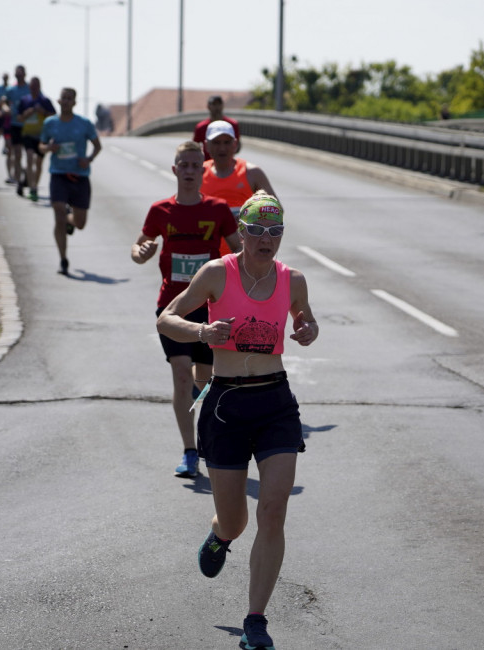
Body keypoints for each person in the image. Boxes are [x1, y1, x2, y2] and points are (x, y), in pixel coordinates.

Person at [156, 191, 318, 650]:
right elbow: (167, 319)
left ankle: (255, 621)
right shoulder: (215, 274)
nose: (266, 239)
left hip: (275, 403)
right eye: (258, 230)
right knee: (237, 520)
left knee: (273, 510)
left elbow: (307, 323)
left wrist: (307, 330)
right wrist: (203, 332)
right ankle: (219, 535)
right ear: (242, 231)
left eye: (275, 230)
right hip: (226, 404)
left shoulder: (294, 280)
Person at [132, 141, 241, 478]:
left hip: (210, 308)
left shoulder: (218, 209)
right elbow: (139, 245)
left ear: (202, 170)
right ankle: (190, 452)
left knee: (203, 381)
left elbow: (239, 251)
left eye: (197, 165)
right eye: (185, 165)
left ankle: (205, 432)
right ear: (175, 169)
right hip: (173, 307)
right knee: (182, 376)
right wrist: (142, 252)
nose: (191, 171)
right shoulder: (160, 210)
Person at [38, 87, 102, 275]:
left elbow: (98, 146)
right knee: (58, 212)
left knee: (80, 224)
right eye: (63, 98)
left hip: (80, 177)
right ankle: (63, 259)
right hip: (58, 174)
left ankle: (69, 219)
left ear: (74, 102)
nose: (65, 101)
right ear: (58, 101)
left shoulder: (84, 123)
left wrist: (88, 159)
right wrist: (49, 147)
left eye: (69, 99)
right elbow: (40, 146)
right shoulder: (50, 123)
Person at [202, 120, 275, 255]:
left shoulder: (252, 173)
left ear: (235, 144)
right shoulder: (198, 173)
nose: (222, 148)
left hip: (243, 258)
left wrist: (247, 218)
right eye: (216, 143)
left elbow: (275, 212)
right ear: (206, 146)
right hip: (207, 257)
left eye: (227, 142)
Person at [17, 76, 56, 201]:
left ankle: (34, 186)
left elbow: (54, 116)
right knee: (29, 157)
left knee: (38, 163)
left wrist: (43, 112)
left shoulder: (45, 101)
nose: (34, 88)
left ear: (40, 87)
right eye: (32, 86)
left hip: (42, 136)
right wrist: (27, 113)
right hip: (28, 134)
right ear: (29, 87)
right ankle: (31, 187)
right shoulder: (24, 100)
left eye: (36, 86)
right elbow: (18, 118)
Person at [5, 66, 31, 193]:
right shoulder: (11, 90)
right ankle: (17, 179)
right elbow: (3, 102)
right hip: (15, 124)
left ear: (25, 75)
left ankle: (27, 172)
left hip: (28, 126)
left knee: (30, 154)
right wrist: (5, 108)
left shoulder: (29, 88)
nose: (19, 76)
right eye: (17, 74)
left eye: (21, 74)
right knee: (17, 153)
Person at [193, 94, 240, 160]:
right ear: (208, 106)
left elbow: (237, 147)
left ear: (223, 106)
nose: (217, 107)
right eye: (214, 104)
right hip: (206, 165)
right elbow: (194, 149)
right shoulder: (201, 127)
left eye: (219, 104)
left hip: (227, 166)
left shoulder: (232, 125)